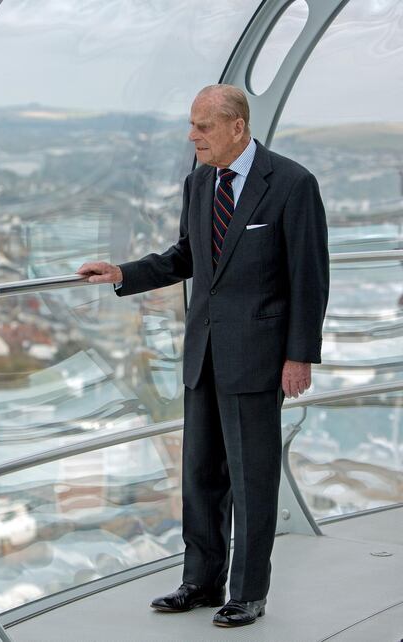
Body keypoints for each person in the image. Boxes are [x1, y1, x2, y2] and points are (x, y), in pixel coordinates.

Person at [77, 84, 329, 628]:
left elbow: (309, 278)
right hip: (204, 354)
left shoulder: (291, 183)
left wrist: (300, 355)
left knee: (252, 479)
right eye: (192, 125)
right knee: (201, 476)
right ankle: (201, 581)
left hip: (260, 360)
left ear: (237, 126)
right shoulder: (199, 182)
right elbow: (187, 255)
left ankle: (249, 593)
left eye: (202, 126)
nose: (192, 136)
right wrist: (125, 274)